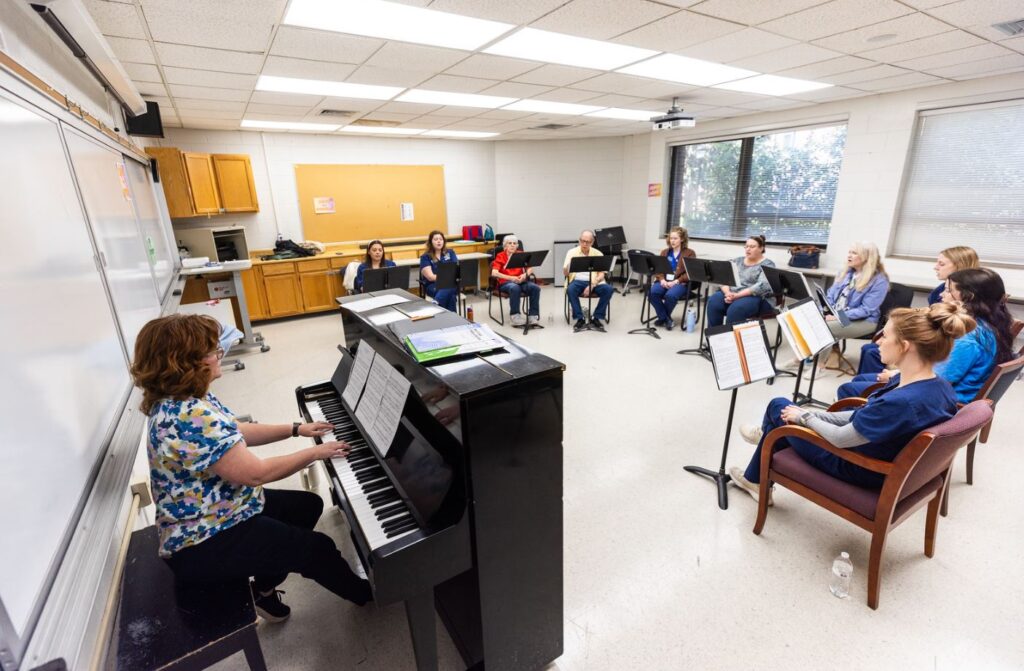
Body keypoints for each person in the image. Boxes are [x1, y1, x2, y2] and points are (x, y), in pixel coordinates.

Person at [130, 314, 372, 622]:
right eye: (211, 350)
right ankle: (368, 596)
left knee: (307, 506)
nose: (219, 354)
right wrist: (316, 453)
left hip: (221, 508)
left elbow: (237, 430)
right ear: (187, 362)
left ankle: (264, 591)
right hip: (201, 540)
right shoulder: (186, 416)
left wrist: (296, 429)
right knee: (317, 549)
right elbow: (255, 473)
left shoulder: (186, 399)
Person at [729, 302, 973, 502]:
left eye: (885, 336)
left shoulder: (902, 401)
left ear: (905, 346)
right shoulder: (939, 387)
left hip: (856, 465)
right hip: (881, 455)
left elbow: (840, 438)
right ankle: (767, 440)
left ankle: (758, 469)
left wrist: (804, 418)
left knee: (777, 406)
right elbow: (861, 416)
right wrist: (811, 414)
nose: (877, 342)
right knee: (787, 413)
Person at [838, 267, 1015, 403]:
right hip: (946, 389)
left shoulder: (968, 338)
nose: (942, 295)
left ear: (968, 296)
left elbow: (936, 378)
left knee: (849, 389)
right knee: (862, 379)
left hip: (943, 398)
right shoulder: (991, 324)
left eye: (948, 290)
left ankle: (861, 433)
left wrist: (895, 376)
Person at [857, 245, 979, 375]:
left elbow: (935, 329)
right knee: (870, 349)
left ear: (959, 266)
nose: (935, 267)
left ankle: (874, 388)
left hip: (932, 344)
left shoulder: (964, 303)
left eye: (941, 264)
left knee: (872, 352)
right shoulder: (939, 290)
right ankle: (872, 388)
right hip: (928, 339)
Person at [705, 235, 775, 327]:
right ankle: (714, 337)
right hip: (732, 292)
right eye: (746, 246)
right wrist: (727, 293)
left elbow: (762, 286)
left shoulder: (768, 264)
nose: (748, 249)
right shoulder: (737, 261)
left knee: (736, 309)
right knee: (713, 301)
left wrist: (737, 296)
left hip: (756, 297)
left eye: (752, 247)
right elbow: (723, 277)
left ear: (761, 248)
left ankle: (732, 339)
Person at [564, 229, 614, 331]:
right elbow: (565, 273)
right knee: (570, 289)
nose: (584, 244)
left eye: (587, 242)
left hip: (595, 282)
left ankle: (596, 317)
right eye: (582, 241)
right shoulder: (571, 252)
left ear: (592, 242)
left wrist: (592, 285)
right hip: (577, 281)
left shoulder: (598, 253)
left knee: (609, 289)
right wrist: (568, 266)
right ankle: (580, 318)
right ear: (579, 240)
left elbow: (601, 274)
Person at [649, 226, 696, 330]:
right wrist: (661, 279)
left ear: (682, 239)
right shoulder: (665, 252)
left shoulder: (690, 253)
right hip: (664, 281)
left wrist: (677, 281)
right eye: (671, 238)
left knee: (670, 296)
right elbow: (658, 269)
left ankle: (663, 318)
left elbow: (690, 273)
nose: (672, 241)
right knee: (652, 293)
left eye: (675, 238)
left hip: (680, 283)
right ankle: (666, 319)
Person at [490, 234, 540, 326]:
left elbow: (530, 269)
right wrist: (511, 278)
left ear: (517, 245)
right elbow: (494, 273)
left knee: (535, 288)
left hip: (521, 281)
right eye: (510, 243)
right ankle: (515, 316)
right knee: (515, 288)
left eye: (515, 243)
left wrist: (524, 275)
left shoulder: (520, 254)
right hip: (505, 283)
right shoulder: (500, 256)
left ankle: (533, 315)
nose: (513, 245)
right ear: (505, 245)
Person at [419, 230, 459, 312]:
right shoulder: (425, 257)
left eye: (441, 239)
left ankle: (436, 301)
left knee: (450, 286)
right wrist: (447, 278)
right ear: (431, 242)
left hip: (450, 283)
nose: (439, 241)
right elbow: (430, 277)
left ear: (444, 241)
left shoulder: (450, 253)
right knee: (451, 296)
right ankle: (453, 321)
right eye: (436, 239)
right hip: (433, 285)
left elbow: (455, 270)